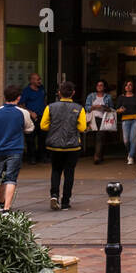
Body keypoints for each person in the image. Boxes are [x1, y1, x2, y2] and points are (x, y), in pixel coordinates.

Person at [0, 86, 34, 211]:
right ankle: (7, 207)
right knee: (11, 178)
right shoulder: (23, 112)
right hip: (15, 148)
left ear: (4, 97)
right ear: (18, 98)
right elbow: (30, 128)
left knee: (0, 177)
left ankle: (1, 203)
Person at [40, 80, 86, 210]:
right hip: (72, 146)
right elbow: (82, 128)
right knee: (69, 173)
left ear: (59, 93)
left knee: (56, 170)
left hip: (54, 145)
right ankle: (66, 201)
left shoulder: (50, 107)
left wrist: (54, 127)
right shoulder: (79, 108)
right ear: (73, 93)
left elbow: (43, 126)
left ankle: (54, 195)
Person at [116, 80, 136, 166]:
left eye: (130, 85)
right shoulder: (121, 97)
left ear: (133, 87)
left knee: (132, 139)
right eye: (126, 85)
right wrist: (120, 110)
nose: (128, 86)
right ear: (124, 87)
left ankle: (130, 156)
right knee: (126, 140)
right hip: (125, 120)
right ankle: (131, 152)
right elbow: (116, 109)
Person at [19, 72, 47, 164]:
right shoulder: (26, 91)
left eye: (40, 79)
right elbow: (21, 105)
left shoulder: (42, 89)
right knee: (30, 138)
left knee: (42, 137)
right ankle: (31, 158)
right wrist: (30, 112)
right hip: (31, 118)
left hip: (42, 116)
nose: (39, 81)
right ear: (31, 80)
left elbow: (44, 100)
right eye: (37, 79)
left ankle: (42, 157)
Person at [84, 79, 114, 164]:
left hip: (103, 119)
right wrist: (94, 107)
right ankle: (100, 155)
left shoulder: (108, 97)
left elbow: (111, 108)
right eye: (98, 85)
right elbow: (86, 107)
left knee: (100, 137)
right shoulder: (91, 96)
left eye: (101, 85)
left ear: (104, 87)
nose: (99, 87)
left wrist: (105, 108)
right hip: (93, 119)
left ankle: (96, 157)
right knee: (95, 138)